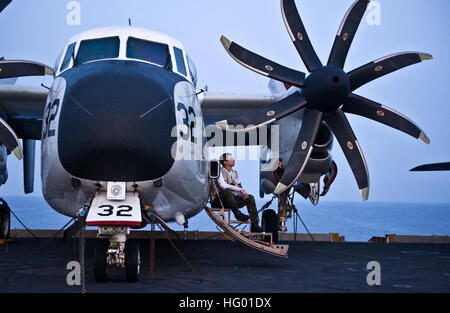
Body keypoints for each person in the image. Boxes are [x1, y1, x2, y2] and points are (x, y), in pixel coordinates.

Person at [211, 153, 262, 232]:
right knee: (227, 192)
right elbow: (223, 186)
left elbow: (238, 187)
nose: (233, 160)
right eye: (231, 159)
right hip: (219, 202)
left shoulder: (235, 173)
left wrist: (243, 194)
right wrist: (239, 190)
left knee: (250, 198)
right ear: (225, 162)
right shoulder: (219, 172)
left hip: (232, 201)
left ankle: (254, 224)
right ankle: (238, 214)